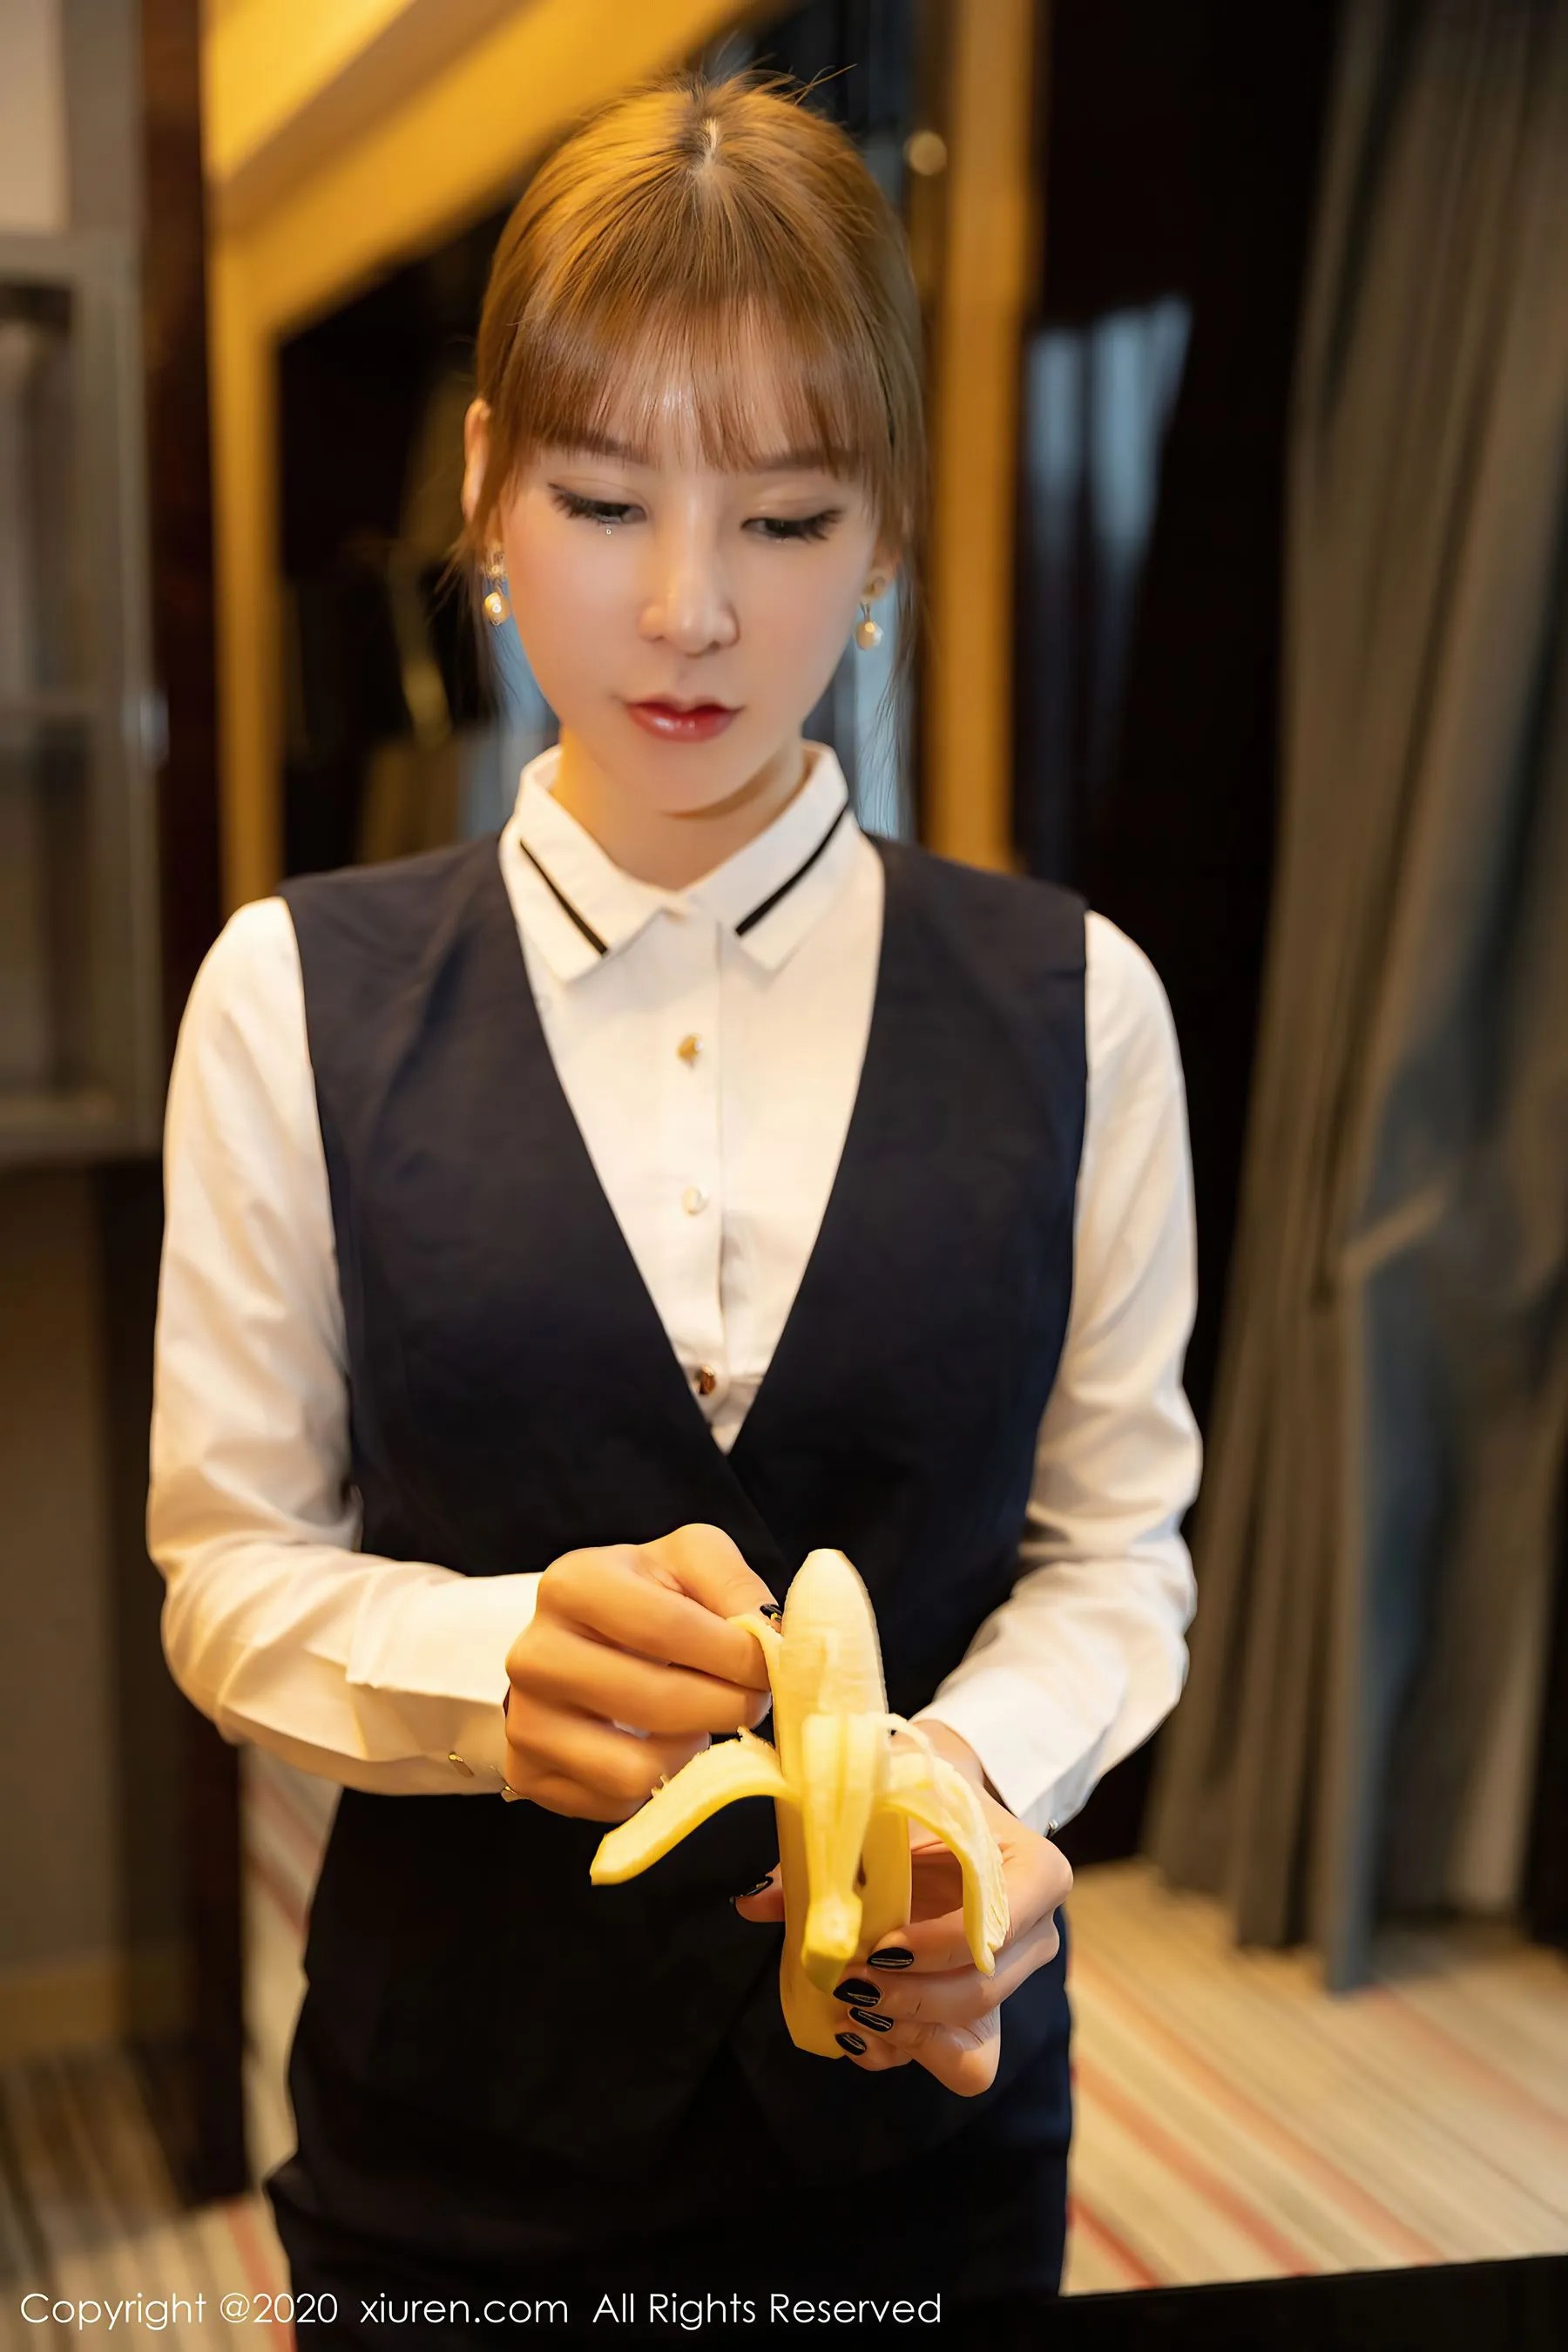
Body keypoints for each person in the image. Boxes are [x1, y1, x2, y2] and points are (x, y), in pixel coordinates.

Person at [149, 66, 1201, 2342]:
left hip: (924, 2163)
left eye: (790, 516)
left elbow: (1119, 1552)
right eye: (606, 498)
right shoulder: (287, 995)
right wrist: (484, 1665)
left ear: (890, 529)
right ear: (484, 489)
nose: (690, 608)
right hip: (449, 2161)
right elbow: (225, 1571)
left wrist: (963, 1784)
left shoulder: (1082, 1008)